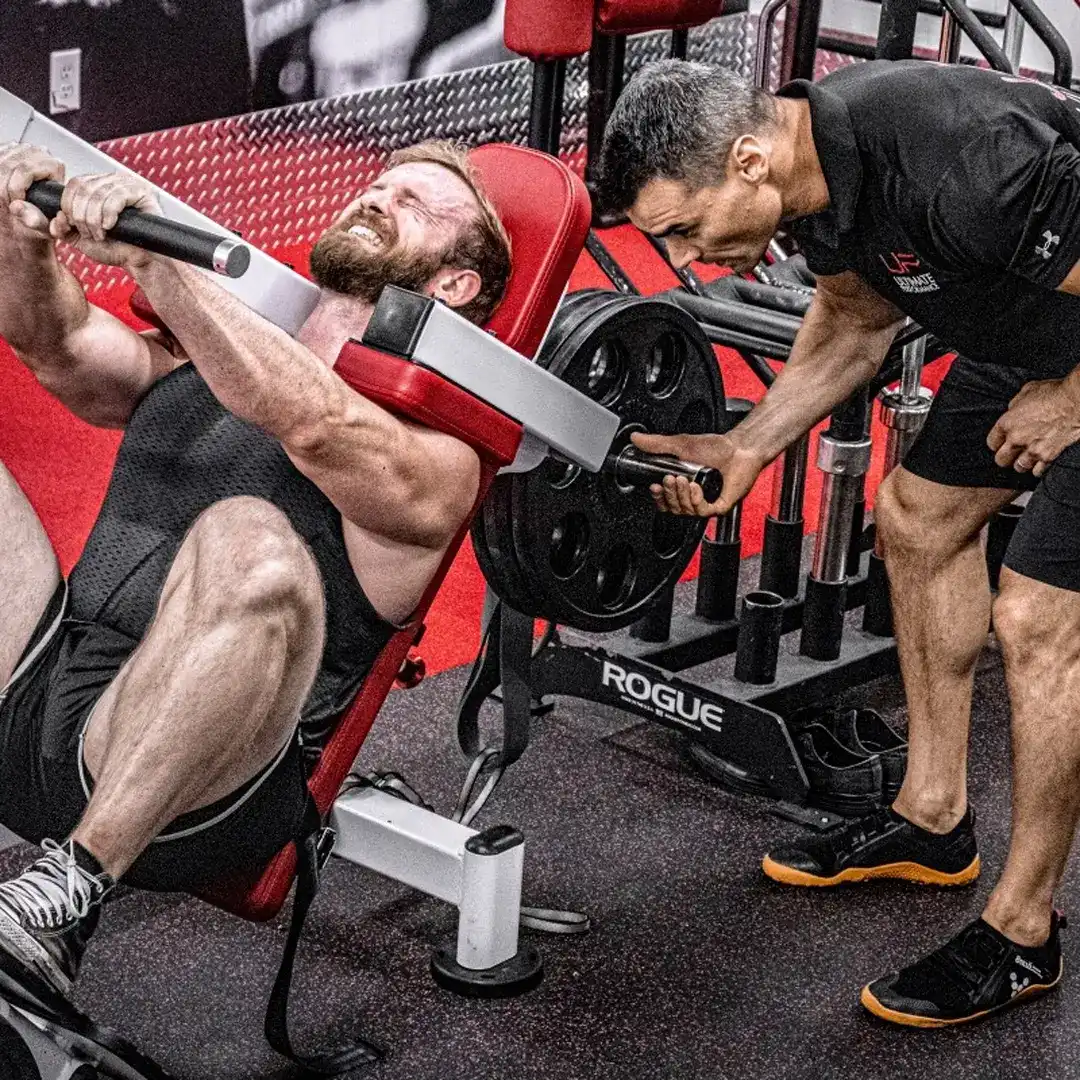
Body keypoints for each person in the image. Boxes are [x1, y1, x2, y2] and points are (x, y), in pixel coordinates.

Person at [598, 57, 1080, 1027]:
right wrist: (744, 445)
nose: (688, 262)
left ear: (747, 160)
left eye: (686, 231)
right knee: (916, 518)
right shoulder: (816, 178)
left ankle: (1025, 933)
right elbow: (857, 322)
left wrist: (1071, 398)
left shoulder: (964, 159)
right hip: (1036, 333)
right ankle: (933, 815)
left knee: (1038, 616)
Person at [0, 138, 511, 1002]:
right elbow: (56, 343)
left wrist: (161, 266)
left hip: (196, 796)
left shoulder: (440, 459)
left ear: (455, 284)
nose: (380, 198)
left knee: (251, 537)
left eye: (417, 204)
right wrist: (20, 236)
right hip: (38, 703)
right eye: (379, 185)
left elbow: (311, 421)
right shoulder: (201, 358)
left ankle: (66, 900)